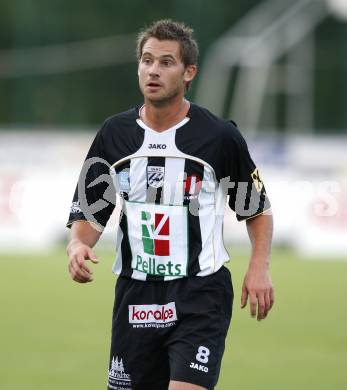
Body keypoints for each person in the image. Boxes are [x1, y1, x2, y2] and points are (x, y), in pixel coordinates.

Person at [66, 19, 274, 390]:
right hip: (136, 293)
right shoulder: (114, 135)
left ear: (189, 71)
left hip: (200, 292)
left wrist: (259, 267)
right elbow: (90, 212)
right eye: (147, 61)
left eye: (166, 62)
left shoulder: (219, 137)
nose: (153, 71)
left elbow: (255, 209)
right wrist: (78, 244)